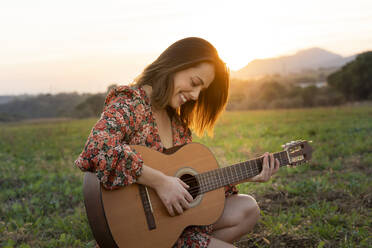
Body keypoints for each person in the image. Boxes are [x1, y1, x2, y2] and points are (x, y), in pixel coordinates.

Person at [75, 37, 279, 248]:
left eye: (202, 90)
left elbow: (192, 187)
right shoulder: (131, 102)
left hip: (174, 227)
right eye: (194, 83)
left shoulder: (177, 124)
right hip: (135, 230)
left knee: (247, 208)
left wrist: (249, 174)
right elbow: (97, 149)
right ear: (175, 65)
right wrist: (160, 182)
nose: (196, 95)